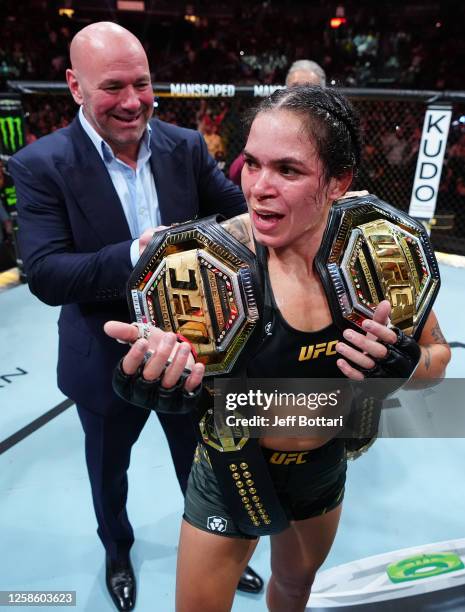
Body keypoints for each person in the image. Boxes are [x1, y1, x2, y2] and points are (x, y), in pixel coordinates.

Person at [105, 85, 451, 612]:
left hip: (323, 467)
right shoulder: (206, 263)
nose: (259, 188)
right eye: (252, 164)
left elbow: (437, 359)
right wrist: (153, 378)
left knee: (293, 590)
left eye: (288, 170)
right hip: (229, 467)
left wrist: (403, 369)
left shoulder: (379, 251)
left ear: (338, 183)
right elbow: (159, 358)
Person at [8, 21, 263, 612]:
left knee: (200, 464)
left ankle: (214, 550)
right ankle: (117, 553)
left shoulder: (186, 145)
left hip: (193, 352)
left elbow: (239, 220)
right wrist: (135, 253)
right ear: (75, 86)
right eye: (112, 86)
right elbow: (45, 273)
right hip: (102, 359)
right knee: (109, 475)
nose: (131, 101)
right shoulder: (40, 163)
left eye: (142, 84)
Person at [229, 59, 326, 186]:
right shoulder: (270, 124)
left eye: (309, 88)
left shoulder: (332, 128)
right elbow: (235, 173)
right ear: (286, 92)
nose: (302, 94)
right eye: (296, 87)